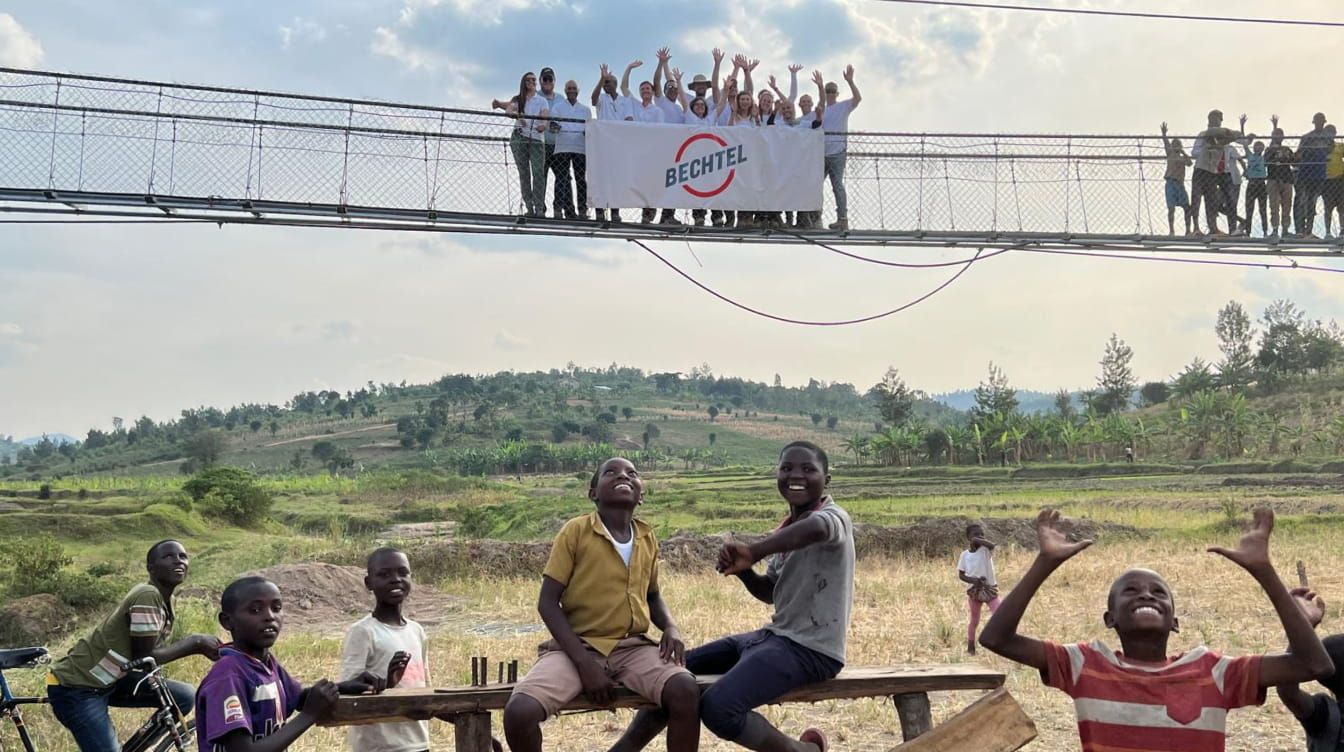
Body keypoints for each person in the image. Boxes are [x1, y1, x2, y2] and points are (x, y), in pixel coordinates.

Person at [979, 508, 1334, 752]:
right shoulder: (1085, 664)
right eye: (1130, 591)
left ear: (1175, 622)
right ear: (1110, 619)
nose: (1146, 594)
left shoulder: (1215, 672)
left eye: (1158, 592)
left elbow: (1313, 666)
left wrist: (1264, 572)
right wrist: (1045, 562)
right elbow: (996, 638)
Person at [609, 441, 853, 752]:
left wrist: (754, 551)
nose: (796, 475)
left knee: (718, 708)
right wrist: (745, 572)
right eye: (787, 468)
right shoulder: (786, 530)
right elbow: (771, 593)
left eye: (808, 469)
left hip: (812, 650)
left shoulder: (833, 517)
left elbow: (816, 529)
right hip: (774, 638)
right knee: (674, 676)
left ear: (826, 480)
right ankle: (624, 748)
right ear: (777, 475)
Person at [502, 457, 699, 752]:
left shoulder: (647, 536)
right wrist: (584, 664)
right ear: (593, 493)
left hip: (633, 648)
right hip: (576, 649)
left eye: (632, 473)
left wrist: (671, 627)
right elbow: (547, 603)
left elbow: (653, 595)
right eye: (611, 472)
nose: (623, 476)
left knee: (685, 690)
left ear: (641, 494)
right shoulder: (576, 531)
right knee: (519, 712)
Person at [47, 540, 220, 752]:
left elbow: (145, 656)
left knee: (184, 697)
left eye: (183, 556)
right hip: (78, 687)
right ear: (151, 568)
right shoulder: (148, 595)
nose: (178, 561)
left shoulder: (166, 598)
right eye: (168, 556)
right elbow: (144, 656)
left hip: (110, 680)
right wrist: (197, 643)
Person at [196, 576, 384, 752]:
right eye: (255, 610)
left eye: (276, 608)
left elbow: (297, 699)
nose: (269, 616)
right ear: (227, 621)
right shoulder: (228, 675)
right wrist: (309, 716)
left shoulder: (266, 664)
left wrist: (343, 687)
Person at [340, 547, 431, 752]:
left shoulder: (417, 631)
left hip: (417, 742)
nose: (395, 579)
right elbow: (348, 696)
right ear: (368, 583)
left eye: (403, 572)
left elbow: (426, 694)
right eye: (384, 574)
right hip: (380, 746)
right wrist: (388, 685)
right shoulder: (363, 632)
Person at [1273, 587, 1344, 752]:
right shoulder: (1328, 716)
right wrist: (1301, 626)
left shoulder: (1325, 714)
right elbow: (1287, 691)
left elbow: (1287, 690)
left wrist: (1302, 625)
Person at [491, 72, 550, 218]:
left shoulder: (541, 100)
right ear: (523, 82)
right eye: (528, 80)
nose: (531, 82)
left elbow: (545, 116)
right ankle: (529, 207)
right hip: (520, 137)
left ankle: (539, 207)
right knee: (524, 173)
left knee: (538, 173)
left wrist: (543, 125)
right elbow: (509, 110)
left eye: (533, 80)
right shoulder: (518, 99)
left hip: (536, 138)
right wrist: (518, 115)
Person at [591, 62, 638, 223]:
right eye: (604, 83)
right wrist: (601, 79)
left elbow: (629, 120)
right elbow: (593, 99)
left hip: (618, 146)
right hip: (602, 145)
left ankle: (615, 211)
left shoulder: (625, 101)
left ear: (615, 84)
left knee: (615, 179)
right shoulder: (602, 98)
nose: (605, 86)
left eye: (608, 82)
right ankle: (599, 210)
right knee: (600, 178)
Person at [821, 65, 861, 231]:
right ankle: (814, 216)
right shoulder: (820, 110)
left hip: (837, 153)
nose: (830, 93)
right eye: (827, 90)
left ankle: (842, 218)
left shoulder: (842, 106)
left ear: (836, 94)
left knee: (837, 185)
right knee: (814, 186)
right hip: (821, 154)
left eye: (832, 91)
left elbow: (857, 99)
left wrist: (850, 81)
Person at [1190, 109, 1241, 235]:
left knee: (1210, 200)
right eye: (1213, 118)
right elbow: (1194, 153)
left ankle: (1213, 228)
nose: (1215, 121)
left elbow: (1238, 134)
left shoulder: (1222, 138)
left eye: (1218, 118)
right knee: (1196, 198)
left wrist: (1222, 138)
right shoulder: (1204, 134)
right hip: (1201, 169)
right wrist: (1208, 148)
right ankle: (1195, 227)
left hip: (1212, 172)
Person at [958, 523, 999, 655]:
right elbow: (961, 575)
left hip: (989, 590)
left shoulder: (985, 551)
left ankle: (996, 641)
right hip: (974, 591)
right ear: (968, 538)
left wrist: (977, 539)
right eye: (976, 534)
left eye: (982, 534)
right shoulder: (964, 555)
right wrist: (973, 580)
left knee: (999, 614)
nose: (979, 537)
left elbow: (992, 545)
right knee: (974, 620)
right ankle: (971, 645)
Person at [1294, 112, 1333, 238]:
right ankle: (1300, 229)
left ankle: (1308, 230)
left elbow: (1330, 150)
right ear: (1314, 122)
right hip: (1306, 171)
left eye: (1321, 121)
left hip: (1319, 172)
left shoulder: (1328, 138)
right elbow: (1299, 152)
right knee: (1302, 200)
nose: (1319, 123)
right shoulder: (1307, 137)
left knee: (1312, 202)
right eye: (1317, 121)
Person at [1265, 115, 1297, 240]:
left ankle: (1285, 229)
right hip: (1273, 178)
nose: (1278, 137)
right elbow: (1266, 162)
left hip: (1287, 179)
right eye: (1276, 135)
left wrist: (1289, 158)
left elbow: (1294, 162)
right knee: (1274, 205)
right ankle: (1274, 229)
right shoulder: (1269, 149)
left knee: (1286, 205)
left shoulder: (1287, 149)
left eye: (1280, 135)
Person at [1160, 122, 1193, 235]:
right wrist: (1164, 134)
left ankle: (1188, 230)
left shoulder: (1182, 158)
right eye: (1174, 144)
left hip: (1180, 184)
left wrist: (1183, 152)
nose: (1176, 146)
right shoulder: (1170, 154)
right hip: (1170, 183)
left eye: (1178, 144)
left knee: (1187, 207)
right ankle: (1171, 230)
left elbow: (1190, 163)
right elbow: (1166, 144)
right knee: (1171, 208)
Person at [537, 67, 561, 219]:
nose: (547, 82)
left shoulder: (561, 98)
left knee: (563, 177)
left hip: (557, 145)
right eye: (544, 79)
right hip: (540, 143)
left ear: (554, 82)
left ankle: (560, 208)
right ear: (540, 80)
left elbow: (565, 120)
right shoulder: (535, 96)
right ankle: (540, 207)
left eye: (549, 79)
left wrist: (558, 126)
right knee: (541, 176)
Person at [1244, 139, 1269, 237]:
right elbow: (1245, 145)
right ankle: (1248, 231)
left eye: (1260, 146)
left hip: (1261, 183)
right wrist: (1242, 126)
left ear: (1263, 149)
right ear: (1253, 148)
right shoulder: (1250, 156)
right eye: (1256, 146)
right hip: (1252, 183)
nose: (1258, 148)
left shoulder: (1264, 158)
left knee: (1263, 209)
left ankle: (1265, 231)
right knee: (1249, 209)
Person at [1323, 127, 1344, 239]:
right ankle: (1327, 232)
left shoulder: (1340, 146)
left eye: (1332, 133)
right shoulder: (1321, 147)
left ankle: (1342, 231)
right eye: (1328, 133)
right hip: (1327, 181)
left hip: (1340, 180)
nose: (1330, 135)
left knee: (1342, 207)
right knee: (1328, 208)